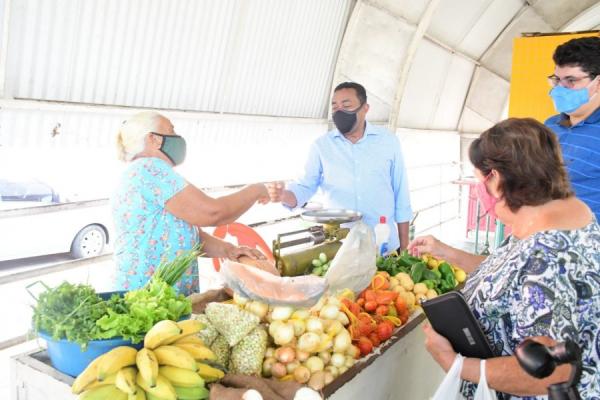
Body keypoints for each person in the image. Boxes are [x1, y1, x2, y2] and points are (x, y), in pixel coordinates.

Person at [409, 118, 599, 399]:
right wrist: (447, 253)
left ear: (496, 178)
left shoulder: (546, 255)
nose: (479, 190)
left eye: (479, 180)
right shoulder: (559, 215)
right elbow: (509, 275)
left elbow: (553, 373)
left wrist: (458, 365)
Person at [112, 111, 269, 296]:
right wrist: (256, 190)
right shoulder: (149, 169)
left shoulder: (148, 172)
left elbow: (189, 236)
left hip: (163, 295)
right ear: (153, 139)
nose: (177, 136)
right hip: (148, 295)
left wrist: (230, 250)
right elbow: (213, 213)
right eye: (171, 129)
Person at [266, 82, 412, 251]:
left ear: (365, 108)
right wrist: (283, 195)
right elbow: (304, 187)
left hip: (384, 245)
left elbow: (401, 195)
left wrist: (405, 247)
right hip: (341, 249)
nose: (339, 111)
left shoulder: (388, 142)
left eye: (347, 105)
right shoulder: (321, 146)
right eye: (335, 107)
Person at [545, 36, 600, 220]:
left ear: (597, 84)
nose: (560, 89)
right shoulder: (549, 126)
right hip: (546, 238)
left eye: (571, 80)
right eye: (557, 80)